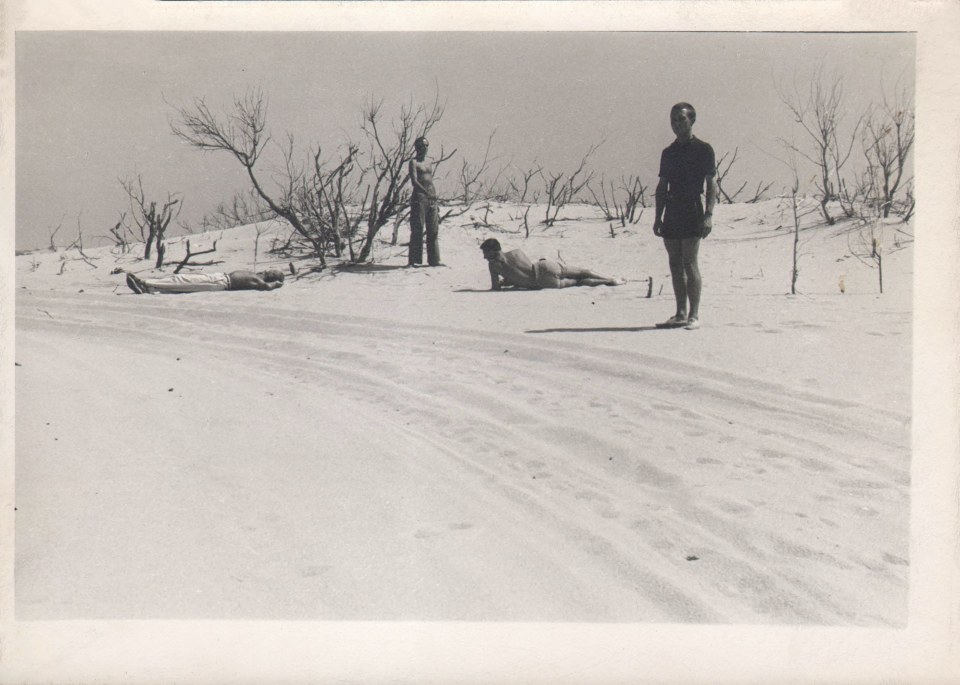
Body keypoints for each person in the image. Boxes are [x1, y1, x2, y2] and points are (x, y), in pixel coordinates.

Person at [652, 102, 718, 330]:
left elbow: (711, 186)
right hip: (672, 210)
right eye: (673, 120)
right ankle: (680, 312)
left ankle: (694, 315)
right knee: (674, 264)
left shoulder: (704, 149)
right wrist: (657, 217)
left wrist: (708, 215)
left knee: (690, 262)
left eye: (681, 119)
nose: (677, 124)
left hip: (692, 209)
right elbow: (662, 187)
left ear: (692, 120)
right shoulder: (668, 153)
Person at [480, 238, 625, 290]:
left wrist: (507, 282)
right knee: (582, 271)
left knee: (578, 282)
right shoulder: (516, 252)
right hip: (542, 267)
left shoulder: (494, 266)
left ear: (492, 251)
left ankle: (608, 282)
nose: (484, 257)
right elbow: (526, 267)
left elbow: (496, 288)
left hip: (540, 283)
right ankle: (611, 279)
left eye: (485, 253)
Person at [408, 136, 442, 267]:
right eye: (422, 146)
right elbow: (414, 181)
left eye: (427, 145)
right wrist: (426, 193)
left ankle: (434, 260)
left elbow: (430, 181)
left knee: (433, 230)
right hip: (419, 198)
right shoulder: (414, 162)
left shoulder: (429, 162)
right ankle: (415, 260)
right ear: (417, 147)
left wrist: (433, 196)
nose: (425, 148)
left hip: (431, 198)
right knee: (417, 229)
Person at [124, 269, 285, 294]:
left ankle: (144, 283)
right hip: (219, 277)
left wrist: (277, 284)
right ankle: (149, 289)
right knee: (181, 279)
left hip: (220, 284)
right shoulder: (256, 275)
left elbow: (266, 287)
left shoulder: (259, 281)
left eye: (271, 272)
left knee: (183, 283)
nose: (267, 270)